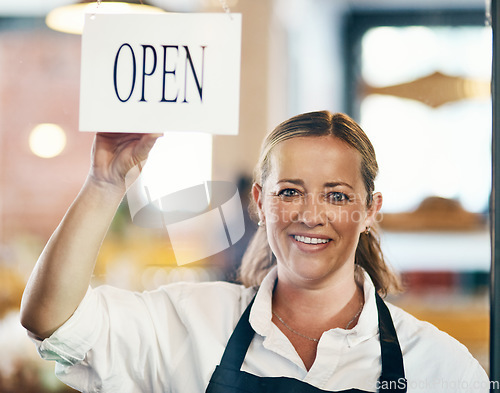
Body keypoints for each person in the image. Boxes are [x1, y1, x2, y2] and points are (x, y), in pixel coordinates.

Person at [20, 111, 489, 392]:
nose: (311, 214)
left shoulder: (438, 366)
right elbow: (53, 320)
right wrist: (105, 183)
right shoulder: (189, 322)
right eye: (289, 192)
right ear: (260, 203)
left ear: (371, 210)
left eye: (338, 195)